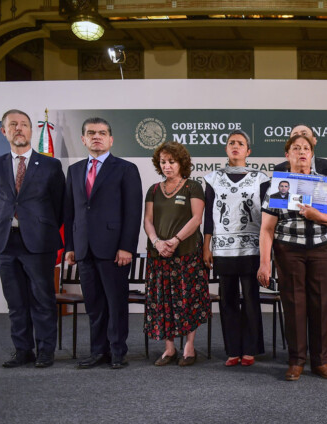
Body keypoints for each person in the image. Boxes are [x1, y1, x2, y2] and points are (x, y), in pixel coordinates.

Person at [258, 134, 327, 381]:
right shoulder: (278, 185)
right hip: (289, 250)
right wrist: (264, 263)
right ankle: (296, 361)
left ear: (312, 153)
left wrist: (319, 216)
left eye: (306, 148)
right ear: (287, 155)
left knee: (321, 305)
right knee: (294, 306)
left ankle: (321, 361)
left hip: (321, 249)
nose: (301, 152)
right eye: (295, 148)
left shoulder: (325, 182)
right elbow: (266, 228)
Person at [0, 109, 64, 368]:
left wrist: (39, 225)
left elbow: (59, 204)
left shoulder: (51, 165)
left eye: (24, 124)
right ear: (4, 131)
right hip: (7, 241)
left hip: (39, 242)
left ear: (31, 130)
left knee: (42, 299)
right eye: (13, 125)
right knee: (16, 301)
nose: (19, 129)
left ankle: (45, 351)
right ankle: (23, 350)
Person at [64, 117, 143, 369]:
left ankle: (117, 351)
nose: (96, 136)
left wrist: (127, 247)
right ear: (83, 139)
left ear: (110, 139)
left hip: (114, 250)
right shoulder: (74, 170)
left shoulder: (125, 168)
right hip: (84, 249)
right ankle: (98, 351)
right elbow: (70, 212)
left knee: (116, 303)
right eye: (91, 133)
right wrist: (70, 247)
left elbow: (133, 212)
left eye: (102, 133)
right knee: (94, 305)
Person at [203, 131, 269, 367]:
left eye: (240, 144)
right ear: (226, 149)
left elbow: (268, 218)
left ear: (248, 151)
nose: (235, 146)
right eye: (231, 143)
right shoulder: (212, 178)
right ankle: (233, 349)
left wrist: (266, 253)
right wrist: (206, 246)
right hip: (222, 249)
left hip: (252, 248)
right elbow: (208, 216)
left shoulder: (261, 178)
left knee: (251, 299)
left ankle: (250, 349)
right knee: (228, 300)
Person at [143, 141, 209, 367]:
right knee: (164, 301)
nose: (167, 166)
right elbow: (148, 220)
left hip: (186, 254)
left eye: (172, 162)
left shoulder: (193, 187)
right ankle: (169, 348)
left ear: (182, 163)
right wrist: (156, 242)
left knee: (187, 299)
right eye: (163, 162)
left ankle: (189, 347)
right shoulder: (153, 189)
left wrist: (174, 240)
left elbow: (196, 219)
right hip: (158, 255)